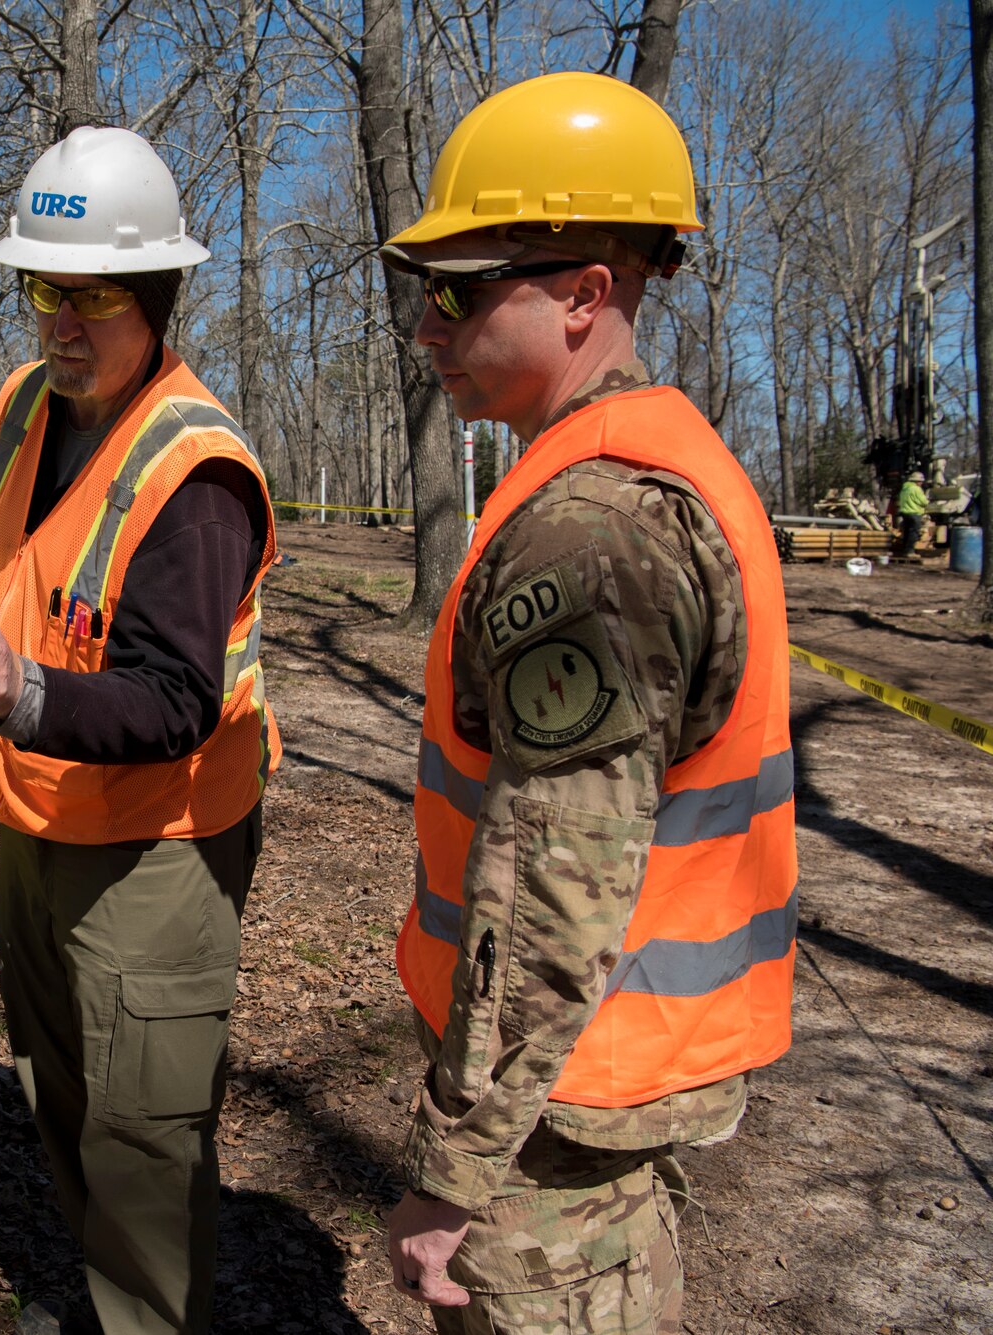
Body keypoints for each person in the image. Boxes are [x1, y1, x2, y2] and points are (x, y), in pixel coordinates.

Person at [375, 72, 798, 1333]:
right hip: (588, 1082)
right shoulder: (633, 468)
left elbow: (558, 888)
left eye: (457, 289)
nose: (425, 325)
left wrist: (454, 1169)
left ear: (580, 295)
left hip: (553, 1111)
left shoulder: (592, 532)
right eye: (419, 291)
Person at [0, 127, 279, 1335]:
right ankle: (97, 1302)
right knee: (58, 1088)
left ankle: (145, 1318)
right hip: (41, 816)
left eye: (93, 297)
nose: (61, 324)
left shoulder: (199, 474)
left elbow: (176, 701)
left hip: (154, 850)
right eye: (42, 291)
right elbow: (37, 573)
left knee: (139, 1134)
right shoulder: (31, 401)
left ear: (158, 295)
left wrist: (18, 697)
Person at [897, 469, 929, 558]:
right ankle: (910, 552)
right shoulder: (916, 489)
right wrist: (927, 501)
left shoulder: (904, 488)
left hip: (905, 513)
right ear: (917, 481)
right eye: (920, 481)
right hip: (914, 513)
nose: (921, 483)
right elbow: (924, 502)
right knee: (913, 533)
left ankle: (905, 551)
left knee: (906, 532)